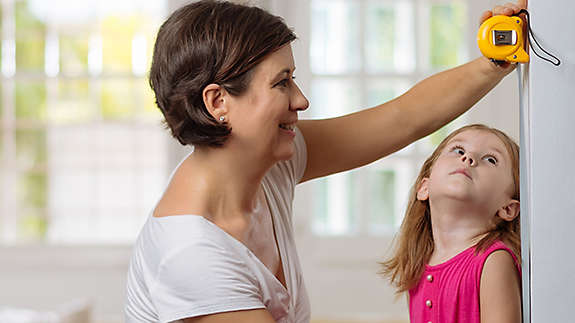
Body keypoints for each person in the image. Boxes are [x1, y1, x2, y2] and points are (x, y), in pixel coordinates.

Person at [125, 0, 526, 322]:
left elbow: (402, 118)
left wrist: (495, 59)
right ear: (218, 102)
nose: (301, 100)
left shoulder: (266, 164)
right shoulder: (192, 257)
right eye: (282, 82)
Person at [381, 124, 521, 323]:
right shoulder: (420, 262)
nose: (468, 158)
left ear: (508, 208)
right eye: (458, 150)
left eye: (490, 159)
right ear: (424, 188)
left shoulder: (494, 261)